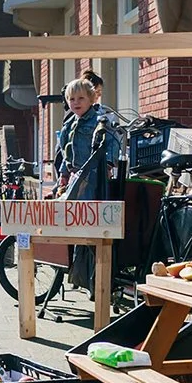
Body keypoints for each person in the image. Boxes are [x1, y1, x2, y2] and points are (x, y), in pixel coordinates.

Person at [50, 71, 122, 294]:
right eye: (71, 99)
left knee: (92, 227)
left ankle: (97, 279)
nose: (75, 103)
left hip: (94, 179)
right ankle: (82, 274)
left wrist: (109, 164)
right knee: (76, 226)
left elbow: (112, 143)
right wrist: (62, 175)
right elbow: (65, 152)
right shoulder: (70, 123)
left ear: (92, 99)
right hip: (75, 178)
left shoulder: (99, 121)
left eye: (81, 98)